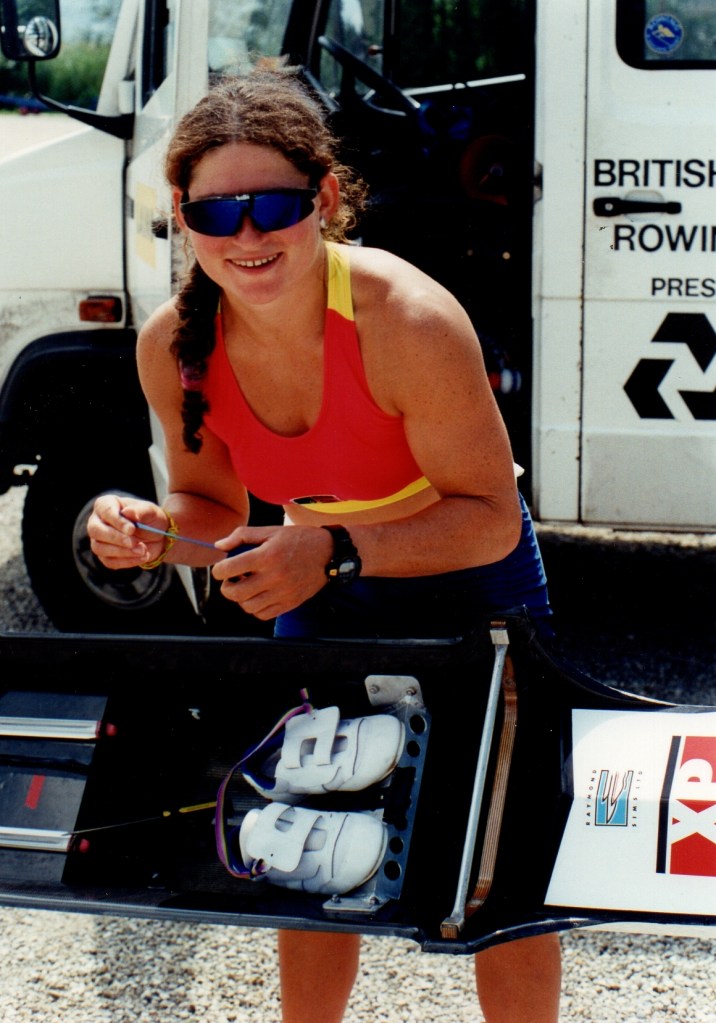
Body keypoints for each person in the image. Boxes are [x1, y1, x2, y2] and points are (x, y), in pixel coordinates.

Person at [88, 68, 561, 1023]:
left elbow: (489, 517)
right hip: (328, 574)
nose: (248, 236)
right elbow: (210, 507)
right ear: (181, 216)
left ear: (327, 200)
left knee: (503, 862)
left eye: (275, 206)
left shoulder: (406, 320)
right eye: (218, 213)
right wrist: (144, 528)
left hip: (470, 574)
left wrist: (332, 550)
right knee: (306, 840)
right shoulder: (173, 345)